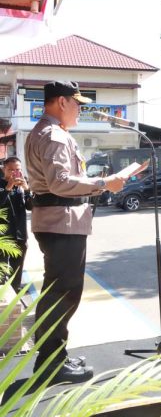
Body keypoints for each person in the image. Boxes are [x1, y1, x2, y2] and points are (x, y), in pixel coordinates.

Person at [25, 80, 127, 382]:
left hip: (57, 220)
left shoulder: (46, 132)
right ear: (60, 102)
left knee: (58, 291)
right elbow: (60, 183)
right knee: (63, 294)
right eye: (76, 102)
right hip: (62, 222)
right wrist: (103, 183)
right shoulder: (54, 135)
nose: (80, 109)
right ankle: (51, 365)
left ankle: (54, 357)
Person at [0, 157, 32, 293]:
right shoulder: (2, 184)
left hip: (20, 234)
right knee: (1, 269)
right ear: (3, 169)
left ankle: (14, 296)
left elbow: (31, 207)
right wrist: (8, 187)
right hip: (2, 236)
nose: (14, 173)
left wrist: (26, 190)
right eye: (10, 170)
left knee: (17, 269)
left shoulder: (22, 185)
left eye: (17, 169)